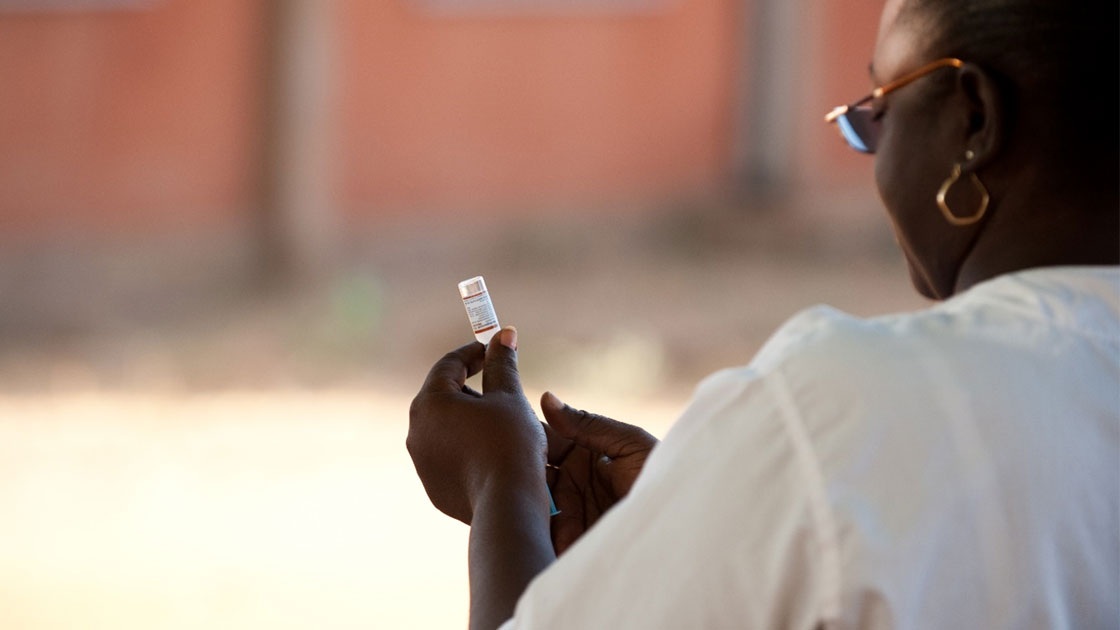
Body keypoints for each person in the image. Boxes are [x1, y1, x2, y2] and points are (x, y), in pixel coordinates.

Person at [407, 0, 1119, 627]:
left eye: (876, 112)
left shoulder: (837, 410)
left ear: (973, 117)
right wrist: (715, 514)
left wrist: (501, 488)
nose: (868, 148)